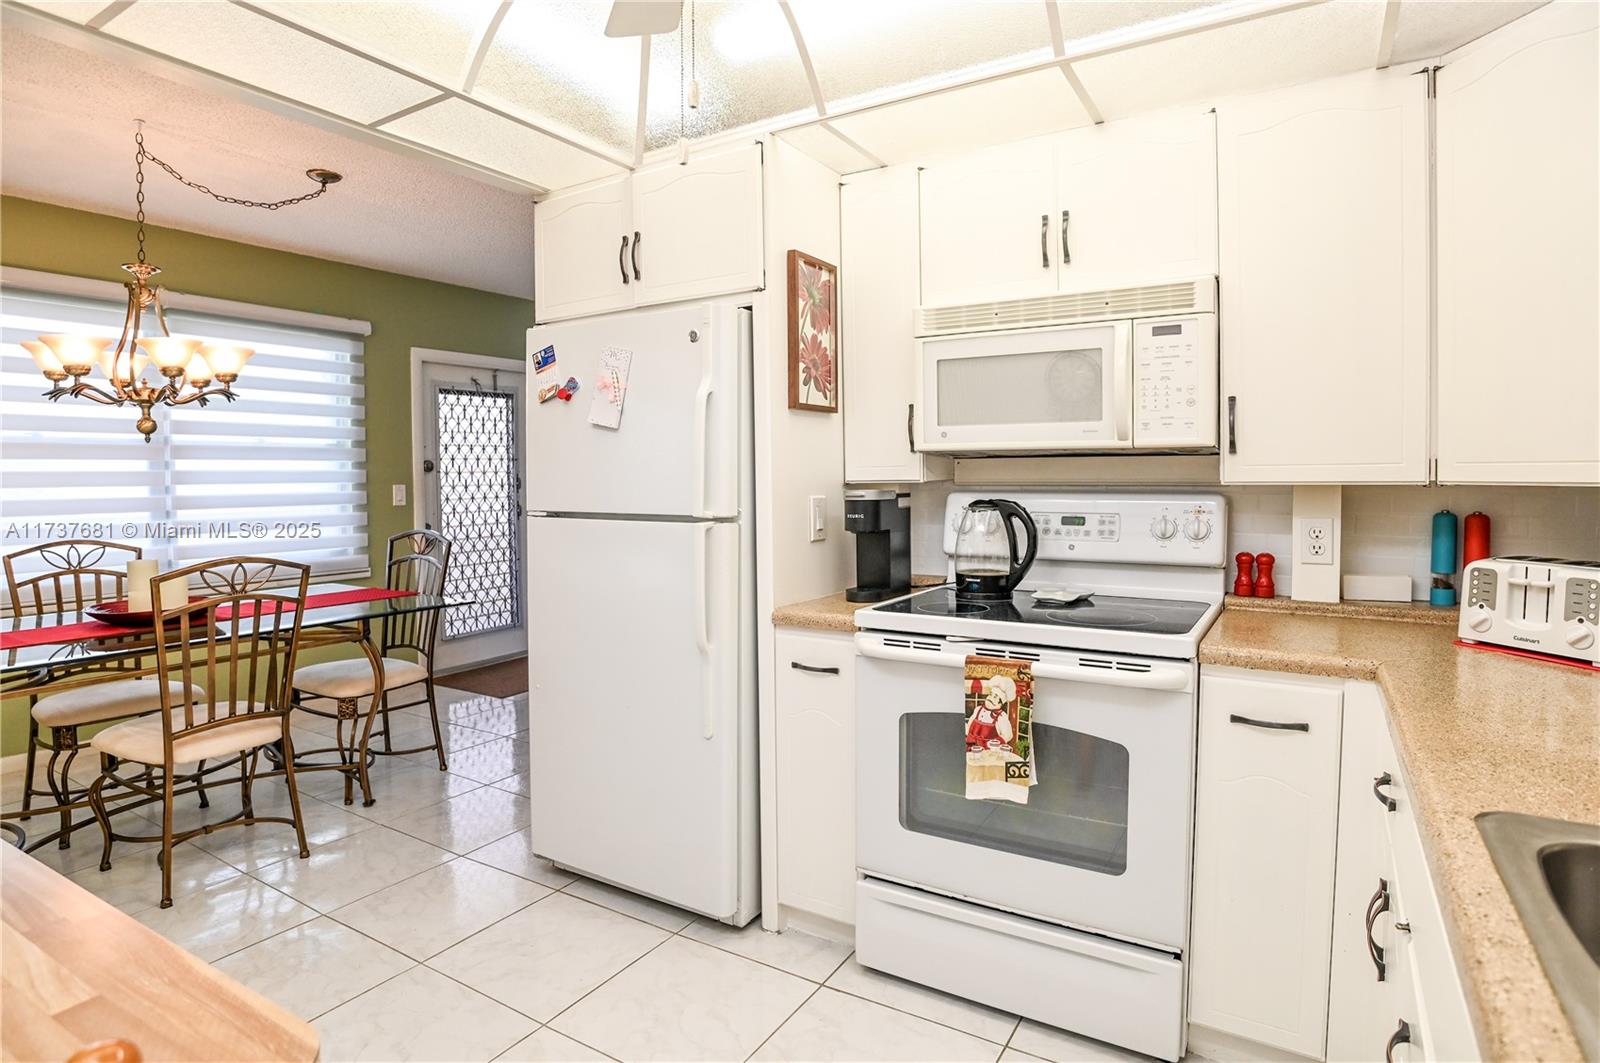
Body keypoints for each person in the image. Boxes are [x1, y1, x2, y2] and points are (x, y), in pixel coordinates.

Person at [965, 675, 1016, 752]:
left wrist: (991, 744)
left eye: (995, 697)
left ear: (1001, 703)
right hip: (972, 749)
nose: (990, 698)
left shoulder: (1001, 717)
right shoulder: (978, 709)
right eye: (990, 694)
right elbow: (969, 726)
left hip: (989, 752)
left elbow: (1008, 735)